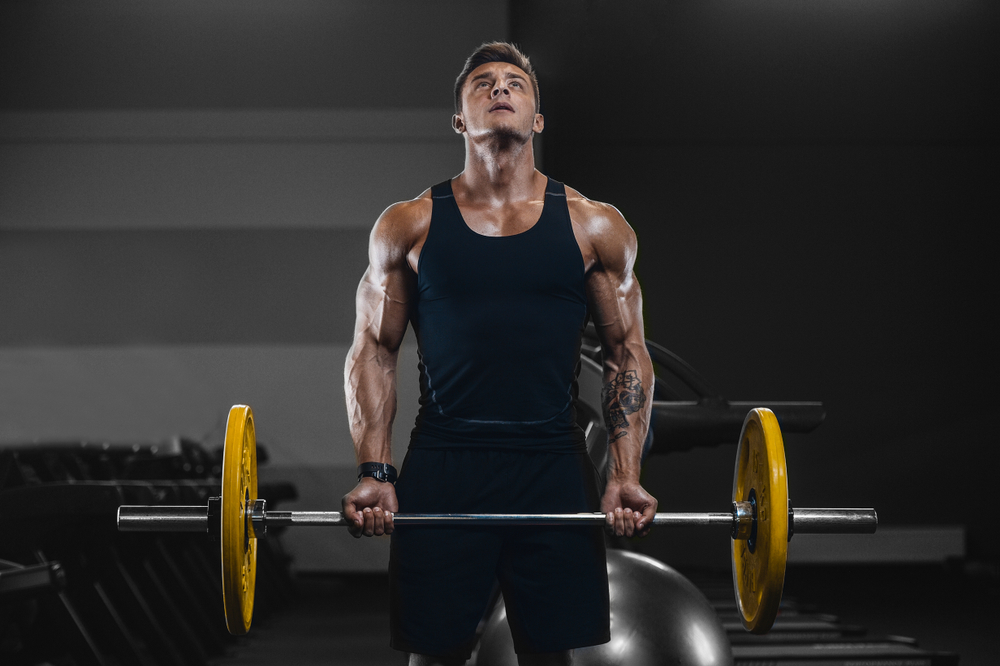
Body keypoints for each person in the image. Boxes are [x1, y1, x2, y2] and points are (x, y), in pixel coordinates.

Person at [342, 42, 657, 666]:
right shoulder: (409, 225)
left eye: (515, 82)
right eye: (482, 83)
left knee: (549, 656)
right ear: (460, 119)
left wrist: (624, 476)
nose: (499, 88)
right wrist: (376, 471)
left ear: (536, 118)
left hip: (552, 464)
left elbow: (627, 354)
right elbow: (373, 351)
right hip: (444, 461)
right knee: (434, 654)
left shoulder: (595, 226)